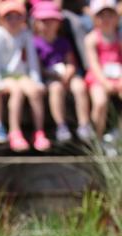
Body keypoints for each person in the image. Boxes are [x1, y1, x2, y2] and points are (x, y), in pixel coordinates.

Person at [0, 1, 50, 152]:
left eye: (17, 17)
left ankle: (39, 132)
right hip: (4, 76)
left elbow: (32, 61)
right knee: (17, 92)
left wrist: (37, 81)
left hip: (21, 76)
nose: (13, 21)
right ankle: (15, 131)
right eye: (9, 17)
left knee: (34, 91)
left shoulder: (26, 35)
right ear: (1, 19)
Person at [32, 1, 93, 142]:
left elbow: (71, 62)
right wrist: (53, 75)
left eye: (51, 20)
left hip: (67, 75)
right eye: (44, 21)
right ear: (36, 23)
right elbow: (38, 67)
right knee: (56, 89)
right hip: (50, 78)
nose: (48, 24)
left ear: (58, 23)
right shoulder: (35, 43)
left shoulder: (63, 41)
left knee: (80, 86)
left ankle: (84, 124)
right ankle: (61, 126)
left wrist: (68, 74)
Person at [84, 0, 122, 138]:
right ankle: (97, 137)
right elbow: (93, 64)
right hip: (98, 78)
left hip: (118, 77)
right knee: (100, 102)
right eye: (101, 15)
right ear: (95, 18)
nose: (106, 19)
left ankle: (118, 134)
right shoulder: (91, 38)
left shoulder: (119, 37)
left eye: (109, 15)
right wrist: (105, 82)